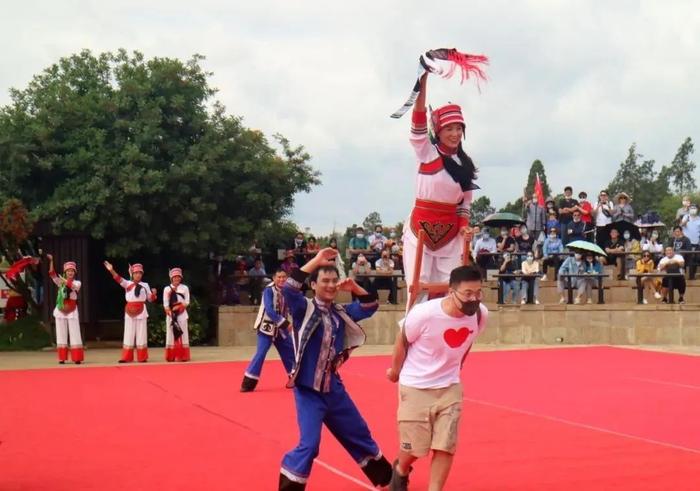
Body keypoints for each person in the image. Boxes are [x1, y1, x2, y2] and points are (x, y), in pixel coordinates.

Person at [278, 248, 392, 490]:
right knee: (310, 444)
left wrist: (356, 289)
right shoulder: (303, 309)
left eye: (333, 281)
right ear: (314, 284)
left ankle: (387, 480)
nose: (330, 285)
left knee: (359, 433)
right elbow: (288, 287)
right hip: (308, 391)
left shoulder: (342, 312)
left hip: (334, 389)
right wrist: (316, 260)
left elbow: (371, 305)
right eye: (324, 281)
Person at [386, 264, 488, 491]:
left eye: (478, 292)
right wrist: (394, 371)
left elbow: (468, 342)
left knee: (445, 445)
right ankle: (401, 469)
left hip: (449, 387)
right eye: (468, 294)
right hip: (416, 386)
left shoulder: (481, 314)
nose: (474, 299)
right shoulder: (425, 313)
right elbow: (402, 341)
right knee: (415, 448)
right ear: (452, 292)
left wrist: (457, 367)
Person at [401, 73, 476, 303]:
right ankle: (411, 337)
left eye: (458, 128)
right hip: (419, 230)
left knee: (451, 290)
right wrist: (423, 84)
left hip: (451, 236)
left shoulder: (466, 165)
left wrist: (464, 227)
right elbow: (418, 122)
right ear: (439, 131)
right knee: (418, 287)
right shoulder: (426, 152)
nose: (454, 134)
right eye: (449, 129)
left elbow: (464, 204)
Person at [241, 269, 295, 392]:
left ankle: (294, 378)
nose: (281, 279)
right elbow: (269, 310)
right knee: (261, 353)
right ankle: (248, 382)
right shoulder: (268, 290)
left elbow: (291, 307)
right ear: (274, 278)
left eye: (284, 277)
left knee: (290, 351)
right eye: (279, 277)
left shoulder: (288, 291)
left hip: (281, 328)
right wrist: (285, 323)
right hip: (267, 327)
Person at [104, 262, 157, 363]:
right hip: (129, 311)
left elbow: (150, 299)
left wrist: (154, 294)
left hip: (141, 311)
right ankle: (126, 357)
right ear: (132, 274)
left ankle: (142, 357)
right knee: (128, 334)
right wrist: (111, 270)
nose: (138, 274)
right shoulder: (127, 284)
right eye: (136, 273)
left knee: (141, 334)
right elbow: (117, 278)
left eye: (140, 273)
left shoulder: (145, 285)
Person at [47, 255, 84, 364]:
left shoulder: (77, 283)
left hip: (72, 310)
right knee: (61, 333)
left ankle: (77, 357)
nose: (70, 273)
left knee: (75, 333)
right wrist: (52, 261)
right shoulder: (60, 282)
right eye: (68, 271)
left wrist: (65, 281)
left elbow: (73, 287)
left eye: (72, 271)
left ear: (75, 272)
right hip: (61, 309)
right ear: (65, 272)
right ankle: (62, 358)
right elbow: (52, 273)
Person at [163, 268, 191, 362]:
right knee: (171, 334)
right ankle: (171, 356)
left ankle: (183, 356)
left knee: (183, 334)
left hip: (182, 314)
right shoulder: (167, 289)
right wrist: (171, 313)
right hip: (171, 315)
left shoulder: (185, 288)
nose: (176, 279)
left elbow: (187, 301)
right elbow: (165, 304)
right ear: (171, 278)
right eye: (175, 277)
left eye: (178, 277)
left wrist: (179, 308)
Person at [680, 204, 700, 280]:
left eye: (695, 208)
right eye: (692, 208)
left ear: (697, 209)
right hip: (686, 242)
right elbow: (681, 226)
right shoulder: (686, 217)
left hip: (696, 242)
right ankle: (682, 276)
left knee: (695, 259)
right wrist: (686, 221)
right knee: (685, 258)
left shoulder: (699, 219)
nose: (693, 209)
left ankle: (692, 276)